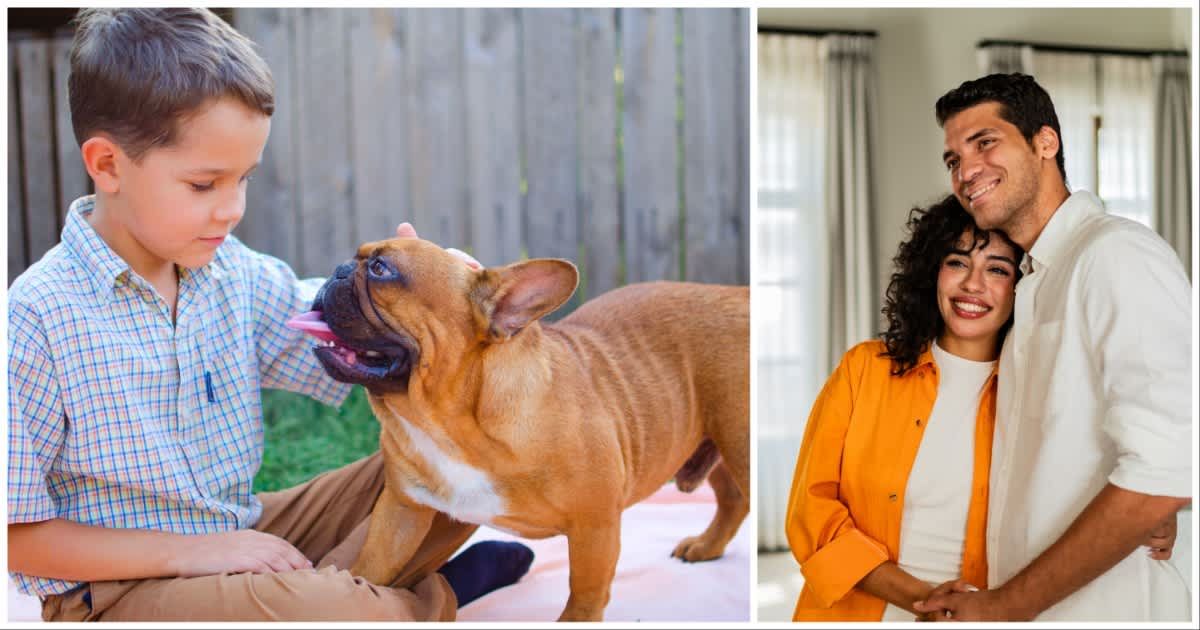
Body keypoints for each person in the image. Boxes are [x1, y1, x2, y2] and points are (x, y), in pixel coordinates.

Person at [7, 8, 532, 622]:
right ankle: (418, 597)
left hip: (245, 528)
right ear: (108, 164)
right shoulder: (37, 318)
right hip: (118, 588)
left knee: (456, 471)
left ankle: (347, 594)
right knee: (331, 609)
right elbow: (15, 534)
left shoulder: (229, 272)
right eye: (205, 185)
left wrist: (427, 294)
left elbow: (324, 321)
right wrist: (198, 554)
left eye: (244, 179)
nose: (232, 209)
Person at [913, 73, 1191, 621]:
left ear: (1045, 142)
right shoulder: (1034, 281)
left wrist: (1009, 606)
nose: (966, 172)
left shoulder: (1116, 255)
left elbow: (1170, 463)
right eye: (952, 160)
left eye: (985, 143)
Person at [786, 195, 1023, 621]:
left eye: (997, 269)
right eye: (957, 262)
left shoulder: (1033, 396)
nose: (972, 284)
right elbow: (810, 509)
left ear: (1022, 286)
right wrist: (923, 598)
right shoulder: (864, 369)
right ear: (931, 270)